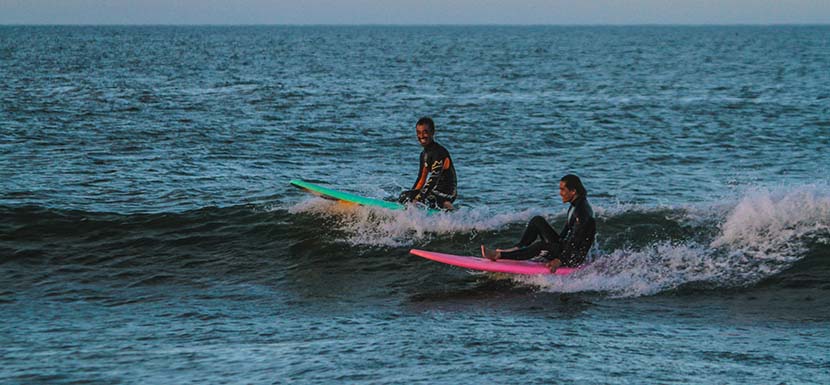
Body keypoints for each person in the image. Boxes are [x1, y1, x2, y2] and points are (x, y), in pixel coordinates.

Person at [480, 174, 596, 272]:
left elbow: (576, 242)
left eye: (562, 190)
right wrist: (553, 246)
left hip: (572, 258)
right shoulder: (575, 205)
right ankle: (518, 248)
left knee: (540, 246)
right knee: (537, 221)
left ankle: (498, 255)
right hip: (565, 248)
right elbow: (565, 234)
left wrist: (559, 260)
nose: (560, 193)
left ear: (573, 191)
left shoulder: (581, 213)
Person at [398, 117, 457, 210]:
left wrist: (419, 198)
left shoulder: (439, 153)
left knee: (430, 198)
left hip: (448, 192)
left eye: (425, 132)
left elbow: (434, 179)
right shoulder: (424, 155)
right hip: (434, 191)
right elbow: (421, 179)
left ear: (432, 132)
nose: (421, 136)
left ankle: (451, 211)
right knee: (405, 196)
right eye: (418, 132)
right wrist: (412, 195)